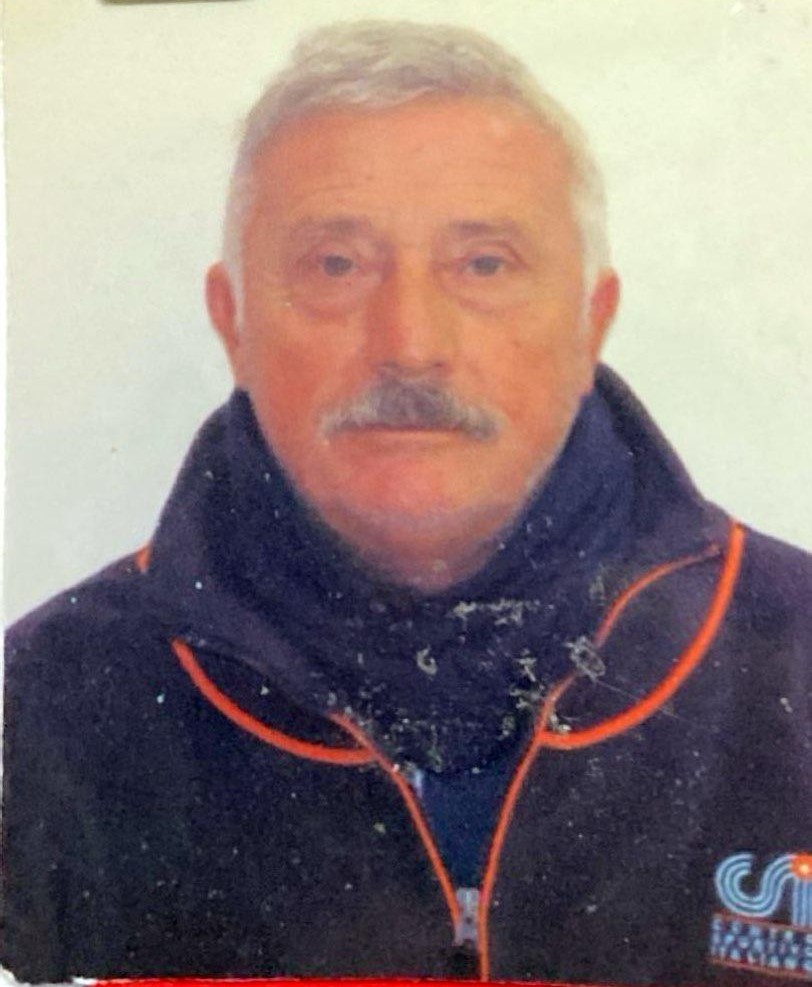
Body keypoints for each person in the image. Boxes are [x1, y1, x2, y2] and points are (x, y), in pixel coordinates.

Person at [3, 20, 810, 986]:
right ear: (233, 321)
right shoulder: (43, 707)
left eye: (484, 264)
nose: (411, 343)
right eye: (336, 265)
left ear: (591, 319)